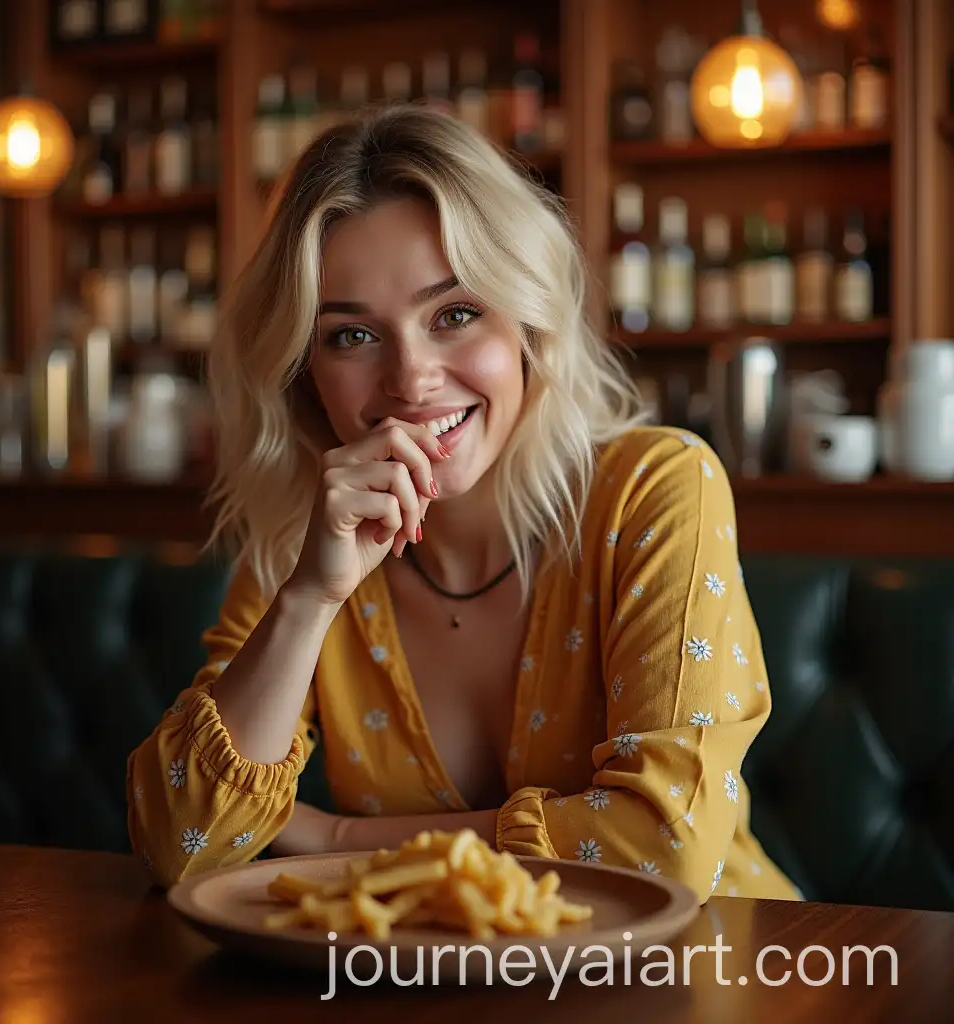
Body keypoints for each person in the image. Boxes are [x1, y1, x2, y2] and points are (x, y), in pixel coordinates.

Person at [126, 104, 800, 904]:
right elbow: (180, 844)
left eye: (455, 314)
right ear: (302, 370)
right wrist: (310, 598)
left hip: (717, 973)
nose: (411, 380)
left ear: (528, 320)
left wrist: (334, 837)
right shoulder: (303, 544)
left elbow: (662, 849)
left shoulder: (657, 487)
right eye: (351, 335)